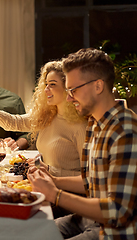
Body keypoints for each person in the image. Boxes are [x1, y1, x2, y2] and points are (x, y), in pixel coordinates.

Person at [28, 48, 137, 239]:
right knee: (32, 232)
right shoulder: (95, 124)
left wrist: (56, 194)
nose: (69, 97)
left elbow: (118, 212)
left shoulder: (124, 130)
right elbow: (90, 182)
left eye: (73, 90)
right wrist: (54, 181)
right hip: (91, 219)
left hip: (115, 231)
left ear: (98, 86)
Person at [0, 61, 87, 177]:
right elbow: (13, 122)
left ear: (68, 87)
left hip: (64, 192)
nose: (46, 89)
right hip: (44, 186)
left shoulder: (80, 126)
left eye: (52, 84)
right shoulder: (47, 116)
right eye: (46, 84)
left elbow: (89, 180)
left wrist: (48, 169)